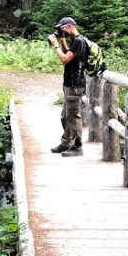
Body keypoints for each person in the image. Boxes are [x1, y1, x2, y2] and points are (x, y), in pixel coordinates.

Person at [47, 16, 88, 156]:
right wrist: (63, 41)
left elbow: (64, 59)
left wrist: (56, 45)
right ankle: (66, 143)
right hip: (69, 83)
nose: (61, 30)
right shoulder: (74, 42)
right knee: (65, 116)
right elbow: (68, 55)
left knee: (73, 116)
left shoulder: (79, 41)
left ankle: (77, 148)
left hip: (75, 85)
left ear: (70, 26)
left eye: (62, 28)